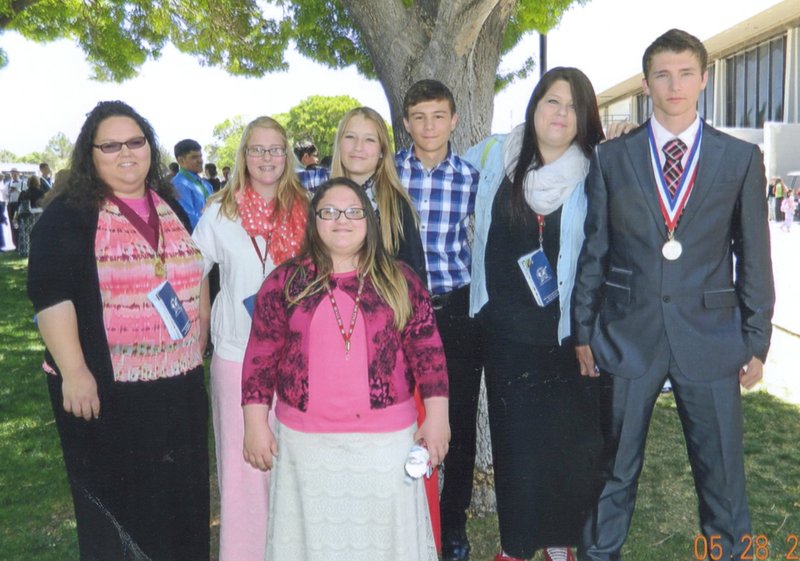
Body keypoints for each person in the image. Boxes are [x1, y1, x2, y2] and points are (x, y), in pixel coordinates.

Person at [573, 29, 775, 561]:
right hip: (625, 337)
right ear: (647, 83)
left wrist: (756, 339)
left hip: (711, 340)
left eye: (686, 73)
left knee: (724, 481)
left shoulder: (739, 159)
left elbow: (754, 255)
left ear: (704, 79)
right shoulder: (613, 158)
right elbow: (595, 252)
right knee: (613, 473)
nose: (674, 84)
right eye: (663, 74)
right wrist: (583, 332)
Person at [26, 100, 210, 561]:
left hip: (178, 386)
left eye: (135, 141)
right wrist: (74, 371)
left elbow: (193, 270)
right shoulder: (68, 214)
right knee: (127, 514)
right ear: (90, 153)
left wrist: (200, 329)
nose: (125, 153)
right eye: (110, 145)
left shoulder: (167, 206)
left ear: (150, 146)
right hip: (107, 390)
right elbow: (51, 294)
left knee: (180, 504)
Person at [241, 177, 449, 561]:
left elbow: (428, 351)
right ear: (313, 221)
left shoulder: (400, 280)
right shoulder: (284, 283)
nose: (342, 220)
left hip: (386, 445)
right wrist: (254, 424)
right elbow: (260, 357)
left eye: (353, 211)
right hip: (307, 445)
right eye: (329, 212)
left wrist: (437, 418)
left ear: (368, 220)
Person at [463, 67, 607, 561]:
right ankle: (516, 546)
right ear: (534, 106)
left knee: (568, 451)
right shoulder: (494, 157)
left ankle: (559, 545)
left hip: (569, 338)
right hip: (506, 337)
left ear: (585, 117)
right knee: (516, 450)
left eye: (573, 105)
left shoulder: (598, 172)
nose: (561, 113)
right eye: (552, 101)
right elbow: (432, 169)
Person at [192, 116, 308, 561]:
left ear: (287, 156)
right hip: (237, 355)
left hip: (297, 359)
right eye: (256, 149)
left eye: (275, 149)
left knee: (294, 463)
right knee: (244, 470)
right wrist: (202, 322)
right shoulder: (220, 211)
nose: (266, 158)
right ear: (243, 156)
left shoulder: (306, 208)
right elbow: (193, 270)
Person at [396, 79, 482, 560]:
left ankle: (453, 528)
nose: (429, 126)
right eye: (419, 117)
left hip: (455, 311)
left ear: (453, 120)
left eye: (438, 116)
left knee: (460, 423)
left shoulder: (471, 179)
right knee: (402, 418)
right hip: (399, 316)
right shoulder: (387, 175)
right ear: (406, 123)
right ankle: (407, 519)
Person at [172, 138, 213, 230]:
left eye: (200, 156)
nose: (200, 160)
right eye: (194, 157)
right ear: (181, 160)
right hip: (197, 239)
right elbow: (190, 220)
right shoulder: (178, 185)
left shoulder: (206, 185)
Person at [16, 175, 46, 256]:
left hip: (25, 216)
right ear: (37, 182)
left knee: (25, 234)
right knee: (37, 234)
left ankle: (24, 251)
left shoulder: (24, 193)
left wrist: (15, 217)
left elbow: (18, 205)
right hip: (37, 215)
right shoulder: (41, 192)